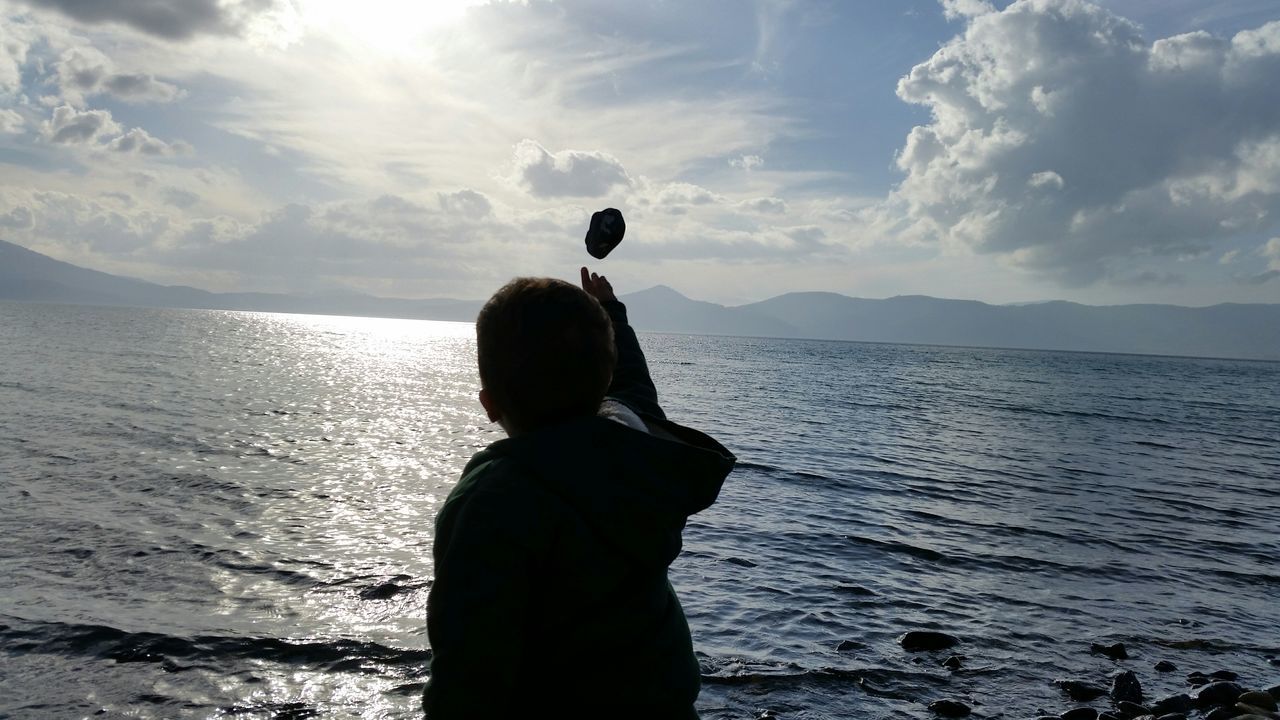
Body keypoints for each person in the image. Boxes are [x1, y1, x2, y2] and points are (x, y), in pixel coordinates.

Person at [422, 267, 736, 719]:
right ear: (603, 381)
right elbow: (633, 385)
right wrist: (611, 312)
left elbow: (467, 672)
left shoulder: (492, 501)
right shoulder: (641, 454)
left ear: (489, 404)